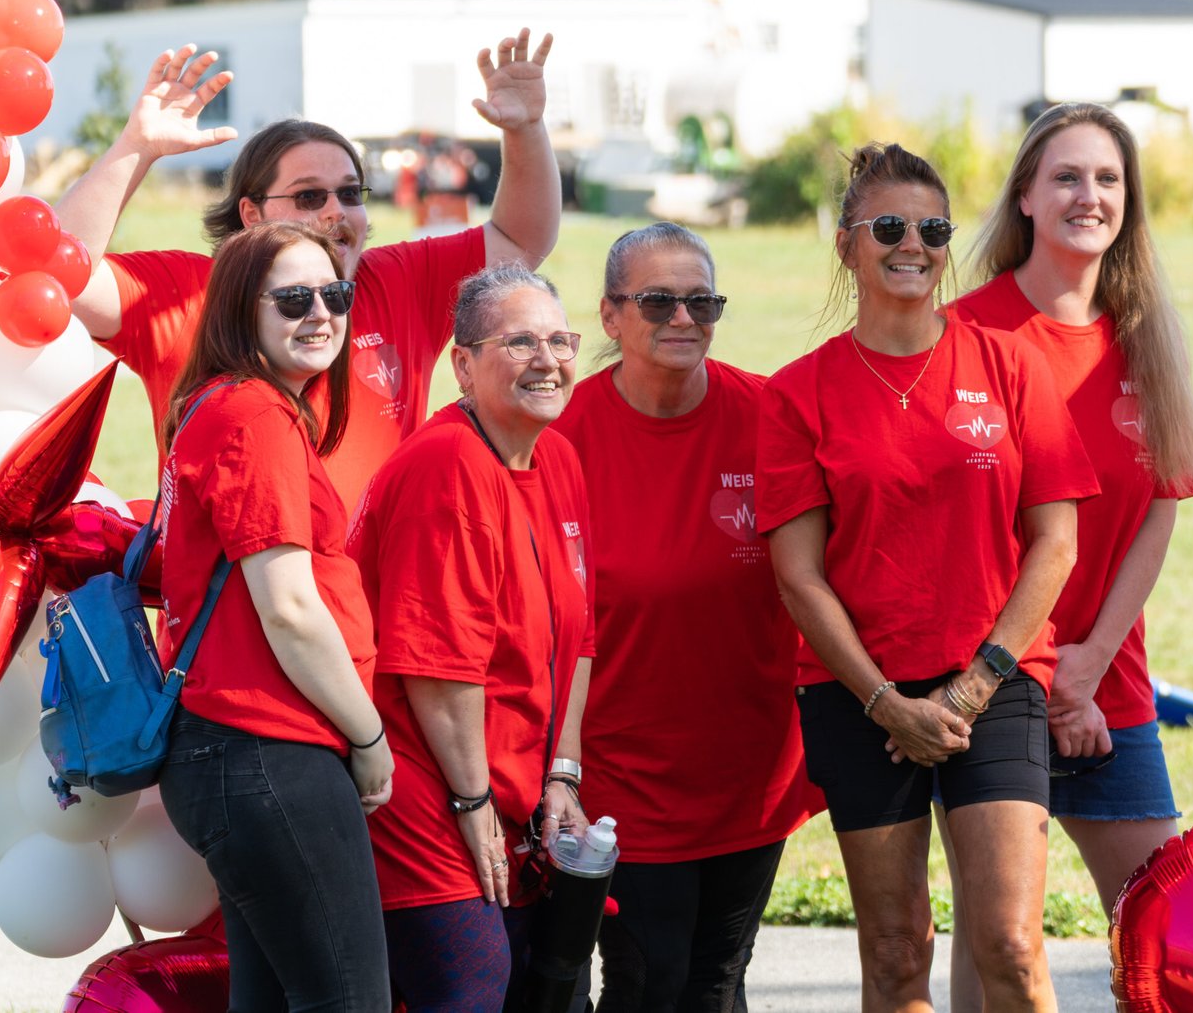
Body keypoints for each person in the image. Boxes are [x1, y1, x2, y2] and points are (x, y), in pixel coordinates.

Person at [757, 143, 1099, 1013]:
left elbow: (1054, 543)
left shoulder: (1010, 365)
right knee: (897, 952)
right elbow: (799, 577)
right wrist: (885, 701)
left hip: (994, 679)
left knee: (1013, 947)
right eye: (889, 227)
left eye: (933, 227)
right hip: (859, 696)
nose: (913, 243)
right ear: (848, 245)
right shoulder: (800, 393)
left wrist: (973, 686)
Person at [940, 102, 1193, 1009]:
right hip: (991, 681)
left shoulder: (1146, 337)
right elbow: (959, 528)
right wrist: (1049, 673)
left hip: (1111, 682)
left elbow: (1156, 515)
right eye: (1065, 176)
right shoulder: (963, 334)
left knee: (1173, 935)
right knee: (998, 944)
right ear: (1024, 194)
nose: (1087, 195)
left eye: (1107, 179)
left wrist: (1091, 667)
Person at [56, 30, 562, 507]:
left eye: (348, 192)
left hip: (370, 599)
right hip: (229, 598)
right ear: (251, 214)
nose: (335, 210)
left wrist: (525, 130)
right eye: (309, 196)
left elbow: (521, 239)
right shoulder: (190, 294)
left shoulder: (397, 279)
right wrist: (135, 148)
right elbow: (60, 274)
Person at [552, 223, 817, 1011]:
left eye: (701, 302)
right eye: (658, 300)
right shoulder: (564, 435)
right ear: (609, 316)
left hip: (747, 770)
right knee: (646, 982)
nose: (682, 319)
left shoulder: (769, 415)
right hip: (620, 774)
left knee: (716, 981)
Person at [155, 220, 393, 1010]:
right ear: (239, 310)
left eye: (335, 294)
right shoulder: (253, 416)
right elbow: (290, 608)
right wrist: (368, 735)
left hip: (244, 757)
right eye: (293, 298)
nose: (321, 313)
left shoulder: (236, 407)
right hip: (265, 751)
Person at [348, 265, 595, 1010]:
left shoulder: (557, 455)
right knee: (469, 992)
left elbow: (579, 633)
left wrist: (563, 773)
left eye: (559, 339)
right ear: (463, 362)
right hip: (429, 789)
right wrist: (471, 801)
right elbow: (435, 665)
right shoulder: (447, 465)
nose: (547, 359)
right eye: (520, 342)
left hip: (514, 786)